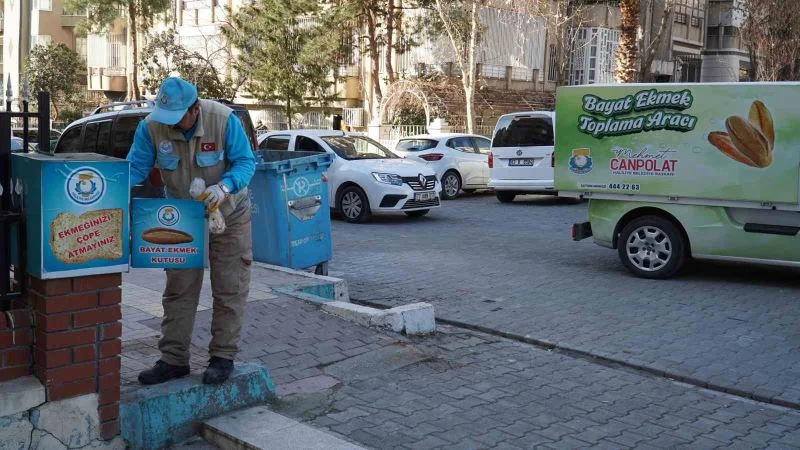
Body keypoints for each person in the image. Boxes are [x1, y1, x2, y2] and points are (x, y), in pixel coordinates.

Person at [127, 77, 256, 385]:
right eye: (165, 117)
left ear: (195, 109)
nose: (170, 124)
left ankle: (222, 357)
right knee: (179, 290)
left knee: (229, 286)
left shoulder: (223, 120)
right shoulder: (150, 127)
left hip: (229, 214)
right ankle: (173, 360)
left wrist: (224, 186)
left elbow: (246, 162)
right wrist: (112, 191)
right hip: (181, 217)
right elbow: (134, 169)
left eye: (177, 117)